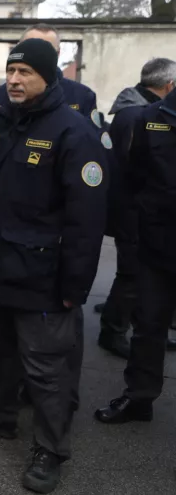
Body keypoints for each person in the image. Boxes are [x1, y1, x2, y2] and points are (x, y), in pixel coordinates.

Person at [0, 38, 108, 494]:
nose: (14, 80)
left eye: (25, 73)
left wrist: (74, 287)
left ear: (48, 76)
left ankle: (50, 449)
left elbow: (87, 220)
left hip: (44, 276)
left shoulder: (73, 132)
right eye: (11, 71)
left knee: (46, 369)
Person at [93, 72, 176, 427]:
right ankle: (139, 397)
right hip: (157, 243)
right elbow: (133, 178)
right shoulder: (150, 118)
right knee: (148, 325)